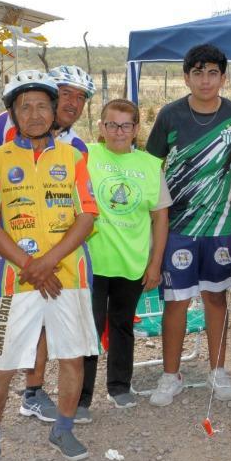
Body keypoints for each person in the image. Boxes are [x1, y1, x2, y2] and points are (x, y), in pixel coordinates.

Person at [0, 71, 99, 461]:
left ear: (54, 111)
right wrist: (31, 267)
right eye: (25, 107)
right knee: (1, 365)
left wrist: (47, 262)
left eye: (43, 105)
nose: (36, 114)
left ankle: (63, 429)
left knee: (72, 358)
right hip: (17, 281)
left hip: (69, 277)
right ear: (13, 114)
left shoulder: (74, 157)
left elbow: (87, 217)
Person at [145, 43, 231, 406]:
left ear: (223, 78)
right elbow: (150, 168)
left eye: (212, 73)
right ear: (186, 77)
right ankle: (170, 375)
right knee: (176, 302)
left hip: (221, 227)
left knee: (216, 298)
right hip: (177, 226)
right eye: (198, 73)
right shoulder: (170, 115)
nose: (205, 80)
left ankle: (218, 370)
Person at [78, 99, 171, 414]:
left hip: (131, 262)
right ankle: (81, 396)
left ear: (136, 129)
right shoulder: (85, 155)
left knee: (122, 325)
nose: (119, 131)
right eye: (112, 125)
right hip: (92, 262)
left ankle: (119, 386)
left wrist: (155, 263)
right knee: (88, 329)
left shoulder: (150, 165)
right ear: (101, 127)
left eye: (126, 125)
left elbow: (161, 218)